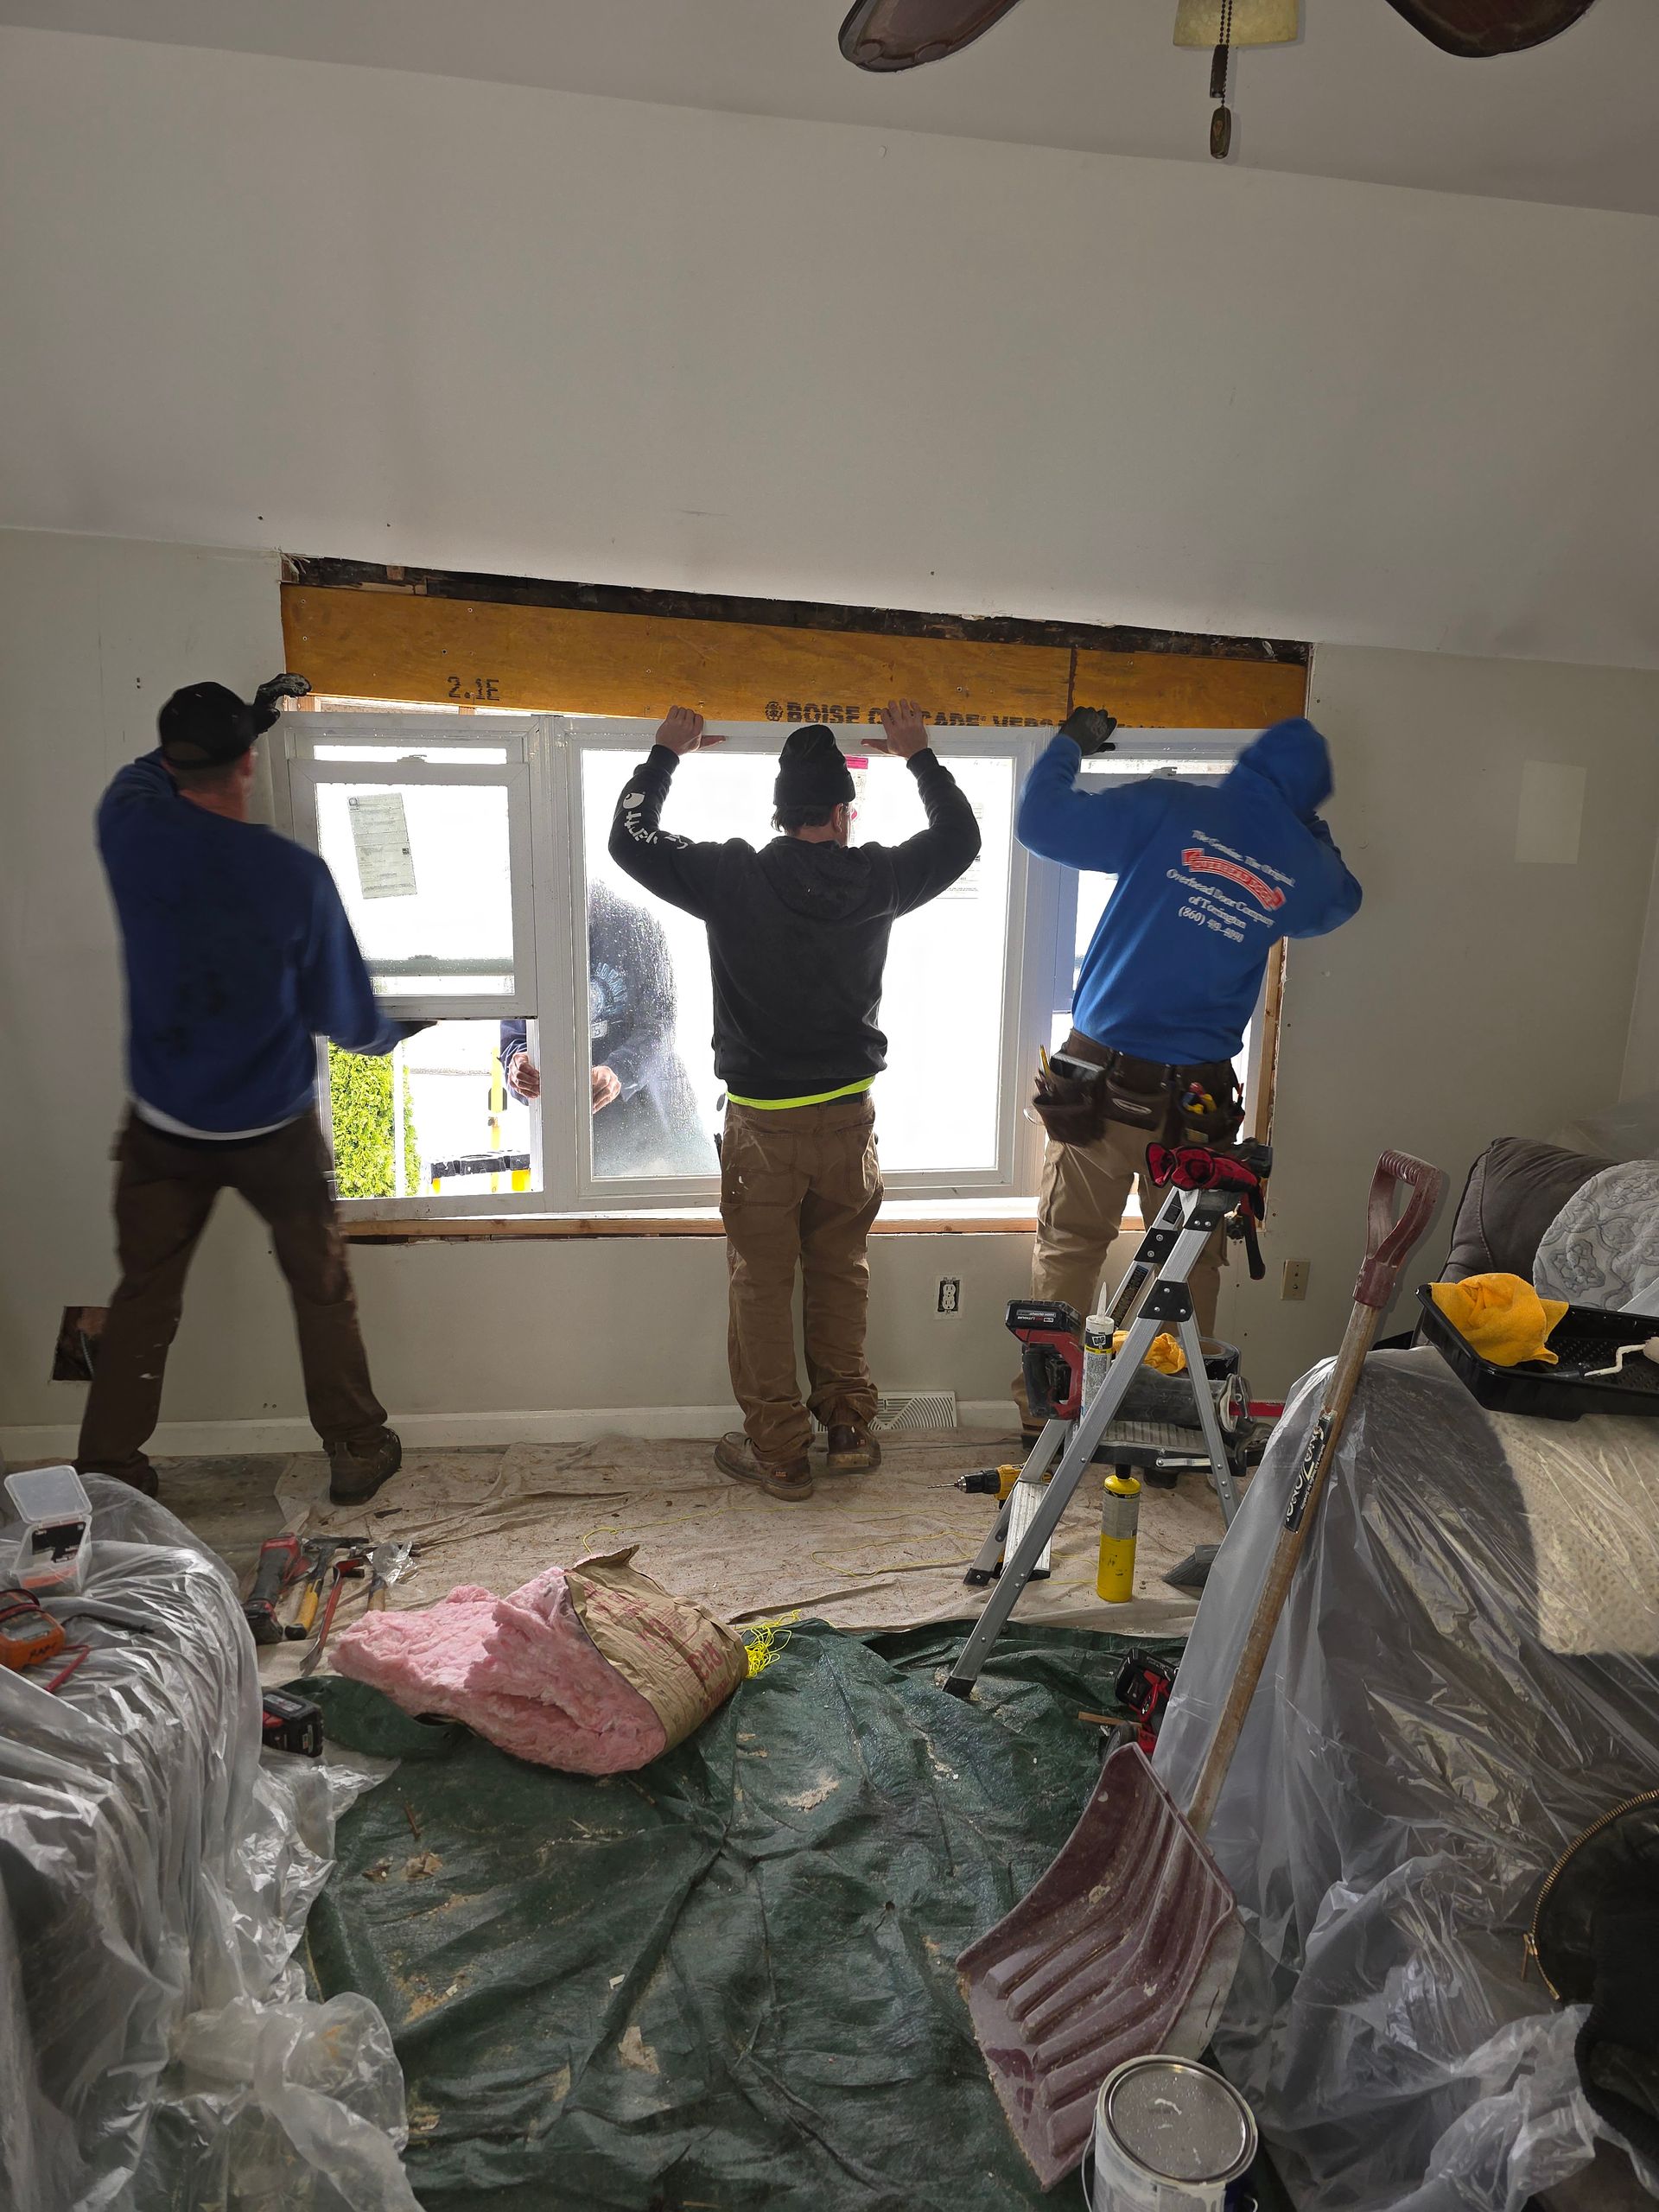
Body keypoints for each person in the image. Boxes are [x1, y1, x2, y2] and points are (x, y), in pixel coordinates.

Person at [609, 700, 981, 1502]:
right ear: (844, 814)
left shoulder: (736, 875)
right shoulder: (877, 875)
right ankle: (847, 1430)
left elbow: (627, 838)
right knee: (841, 1270)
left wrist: (664, 756)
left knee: (761, 1283)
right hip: (850, 1124)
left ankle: (780, 1451)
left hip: (763, 1130)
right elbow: (960, 840)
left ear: (781, 814)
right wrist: (920, 757)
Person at [76, 677, 417, 1507]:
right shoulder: (290, 875)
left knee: (143, 1299)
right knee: (322, 1288)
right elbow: (348, 1016)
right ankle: (356, 1446)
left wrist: (241, 723)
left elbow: (144, 771)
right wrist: (396, 1033)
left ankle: (110, 1467)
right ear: (249, 766)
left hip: (164, 1127)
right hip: (274, 1133)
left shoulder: (126, 825)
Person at [1017, 708, 1362, 1337]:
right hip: (1194, 1107)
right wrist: (1304, 828)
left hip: (1096, 1080)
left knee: (1070, 1244)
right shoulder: (1303, 868)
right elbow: (1344, 897)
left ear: (1248, 765)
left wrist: (1070, 744)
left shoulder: (1170, 808)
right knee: (1188, 1259)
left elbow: (1040, 825)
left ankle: (1049, 1405)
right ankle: (1177, 1400)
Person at [499, 880, 714, 1178]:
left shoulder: (636, 925)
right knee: (595, 1219)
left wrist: (618, 1071)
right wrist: (519, 1065)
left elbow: (661, 1024)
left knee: (690, 1211)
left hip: (659, 1113)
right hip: (582, 1134)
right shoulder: (529, 938)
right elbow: (514, 1035)